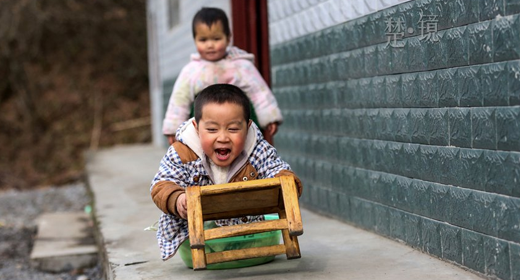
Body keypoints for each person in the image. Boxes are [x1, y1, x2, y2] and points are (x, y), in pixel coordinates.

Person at [150, 84, 302, 260]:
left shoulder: (256, 149)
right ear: (197, 127)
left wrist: (286, 181)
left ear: (247, 127)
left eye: (233, 129)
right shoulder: (182, 152)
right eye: (212, 129)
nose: (222, 137)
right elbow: (162, 184)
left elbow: (276, 168)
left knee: (283, 180)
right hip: (200, 235)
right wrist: (177, 199)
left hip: (247, 231)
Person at [162, 7, 282, 145]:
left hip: (239, 127)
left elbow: (259, 92)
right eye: (203, 40)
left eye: (216, 38)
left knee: (248, 157)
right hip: (205, 130)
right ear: (195, 40)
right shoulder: (191, 71)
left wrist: (270, 117)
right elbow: (179, 101)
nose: (210, 45)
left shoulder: (241, 66)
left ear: (228, 38)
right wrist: (174, 128)